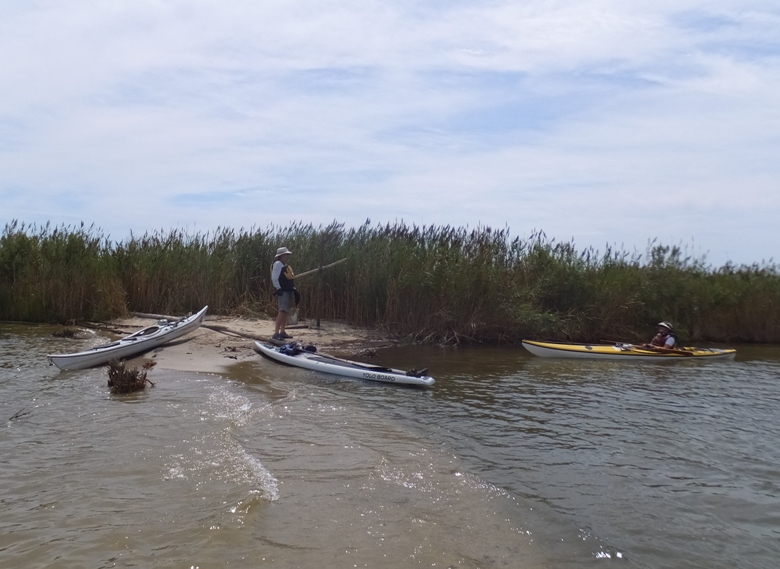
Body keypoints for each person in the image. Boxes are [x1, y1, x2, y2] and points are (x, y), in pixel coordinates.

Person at [271, 246, 296, 340]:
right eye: (286, 255)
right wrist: (278, 288)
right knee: (282, 311)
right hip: (283, 291)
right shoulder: (277, 264)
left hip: (287, 290)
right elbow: (274, 277)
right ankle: (276, 333)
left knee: (285, 312)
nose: (287, 256)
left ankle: (282, 332)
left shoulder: (282, 264)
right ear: (281, 255)